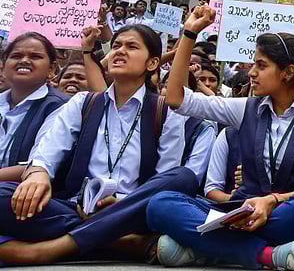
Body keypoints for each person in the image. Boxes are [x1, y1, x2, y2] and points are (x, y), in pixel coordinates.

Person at [146, 5, 294, 270]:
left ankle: (207, 250)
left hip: (281, 212)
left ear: (288, 72)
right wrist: (189, 33)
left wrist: (270, 201)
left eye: (261, 65)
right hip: (236, 213)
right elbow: (178, 99)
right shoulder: (246, 107)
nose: (251, 73)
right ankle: (269, 256)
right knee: (161, 204)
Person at [0, 24, 196, 265]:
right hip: (74, 208)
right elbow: (48, 150)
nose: (119, 52)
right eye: (116, 46)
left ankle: (59, 247)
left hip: (133, 211)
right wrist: (38, 173)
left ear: (152, 63)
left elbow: (165, 179)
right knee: (7, 195)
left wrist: (122, 203)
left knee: (183, 178)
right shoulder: (83, 102)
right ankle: (121, 242)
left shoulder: (166, 111)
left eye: (131, 46)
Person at [0, 33, 68, 181]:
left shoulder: (60, 107)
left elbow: (39, 165)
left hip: (21, 194)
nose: (24, 60)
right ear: (3, 67)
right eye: (16, 56)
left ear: (52, 69)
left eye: (35, 56)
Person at [204, 127, 242, 203]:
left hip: (270, 208)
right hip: (232, 208)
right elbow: (212, 189)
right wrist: (235, 198)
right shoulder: (229, 135)